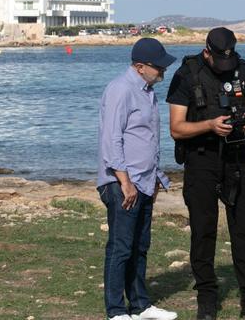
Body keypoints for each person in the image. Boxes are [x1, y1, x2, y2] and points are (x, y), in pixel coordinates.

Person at [167, 27, 245, 320]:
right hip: (200, 160)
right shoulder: (187, 74)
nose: (224, 67)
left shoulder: (244, 70)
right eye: (219, 61)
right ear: (207, 52)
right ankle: (207, 303)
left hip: (236, 159)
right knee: (203, 232)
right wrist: (209, 125)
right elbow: (176, 128)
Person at [97, 37, 179, 320]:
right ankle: (116, 311)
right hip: (122, 183)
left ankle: (141, 306)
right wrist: (125, 181)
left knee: (140, 246)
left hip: (143, 182)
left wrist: (156, 178)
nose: (163, 72)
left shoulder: (147, 91)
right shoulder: (121, 89)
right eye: (159, 67)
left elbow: (147, 140)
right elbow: (112, 139)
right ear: (140, 66)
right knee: (120, 247)